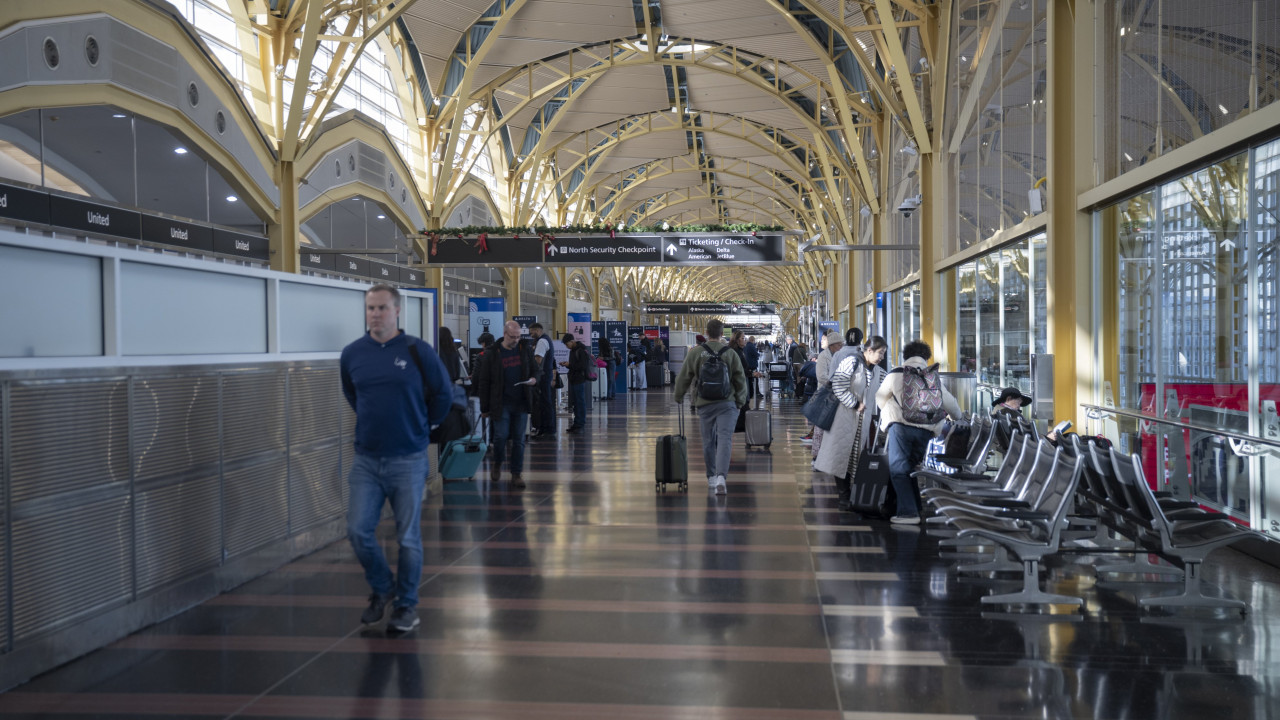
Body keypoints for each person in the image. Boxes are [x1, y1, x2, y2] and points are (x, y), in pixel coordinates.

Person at [340, 284, 452, 632]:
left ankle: (406, 605)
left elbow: (444, 395)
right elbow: (353, 396)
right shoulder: (353, 353)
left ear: (397, 311)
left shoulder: (418, 351)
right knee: (358, 531)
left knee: (407, 537)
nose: (375, 314)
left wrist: (421, 427)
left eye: (382, 308)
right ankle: (383, 587)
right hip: (367, 461)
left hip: (408, 458)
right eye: (370, 308)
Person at [875, 340, 963, 524]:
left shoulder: (896, 373)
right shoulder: (932, 376)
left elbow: (880, 397)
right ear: (925, 357)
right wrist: (957, 417)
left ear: (905, 356)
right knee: (911, 468)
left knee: (899, 469)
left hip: (900, 428)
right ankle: (914, 506)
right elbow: (952, 406)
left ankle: (909, 514)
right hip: (925, 431)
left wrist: (891, 413)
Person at [672, 319, 748, 495]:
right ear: (722, 334)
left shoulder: (696, 353)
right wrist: (740, 401)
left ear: (706, 333)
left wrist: (678, 396)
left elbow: (684, 376)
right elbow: (740, 379)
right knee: (724, 439)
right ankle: (722, 477)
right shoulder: (730, 353)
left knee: (708, 441)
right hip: (727, 403)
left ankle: (711, 477)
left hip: (705, 403)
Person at [815, 335, 888, 511]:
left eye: (884, 354)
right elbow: (838, 385)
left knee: (854, 457)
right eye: (880, 353)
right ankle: (843, 495)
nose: (882, 357)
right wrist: (854, 403)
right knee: (841, 456)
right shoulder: (851, 362)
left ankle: (852, 494)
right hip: (844, 416)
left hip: (861, 419)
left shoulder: (876, 369)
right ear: (869, 350)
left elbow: (886, 386)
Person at [476, 320, 538, 489]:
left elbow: (536, 370)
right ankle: (497, 462)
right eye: (512, 337)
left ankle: (516, 473)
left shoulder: (524, 350)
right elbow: (484, 381)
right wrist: (484, 408)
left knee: (519, 440)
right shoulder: (492, 353)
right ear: (504, 334)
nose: (516, 340)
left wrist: (534, 379)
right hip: (500, 403)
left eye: (518, 337)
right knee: (500, 436)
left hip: (521, 403)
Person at [809, 331, 844, 460]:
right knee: (821, 428)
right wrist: (837, 383)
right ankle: (817, 456)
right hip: (825, 396)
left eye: (842, 344)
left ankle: (831, 456)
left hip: (837, 396)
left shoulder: (840, 356)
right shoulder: (824, 356)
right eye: (839, 345)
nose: (841, 347)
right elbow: (821, 376)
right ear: (832, 345)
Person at [560, 333, 593, 433]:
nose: (566, 346)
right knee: (575, 403)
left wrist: (570, 364)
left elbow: (582, 366)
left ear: (572, 341)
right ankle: (576, 423)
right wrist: (568, 365)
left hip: (579, 379)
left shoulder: (581, 350)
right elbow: (575, 365)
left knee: (580, 402)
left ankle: (580, 424)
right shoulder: (573, 351)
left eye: (567, 344)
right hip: (573, 379)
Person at [529, 323, 556, 437]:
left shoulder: (542, 341)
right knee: (546, 402)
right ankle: (547, 428)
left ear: (538, 330)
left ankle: (547, 429)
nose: (530, 334)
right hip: (546, 374)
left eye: (532, 332)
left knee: (544, 403)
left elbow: (538, 359)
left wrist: (529, 367)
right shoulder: (546, 339)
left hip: (543, 376)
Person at [598, 336, 616, 400]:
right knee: (609, 379)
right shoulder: (601, 348)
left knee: (611, 379)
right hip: (605, 363)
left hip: (611, 363)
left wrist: (603, 358)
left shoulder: (610, 347)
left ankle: (610, 394)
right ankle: (608, 394)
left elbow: (613, 357)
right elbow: (600, 355)